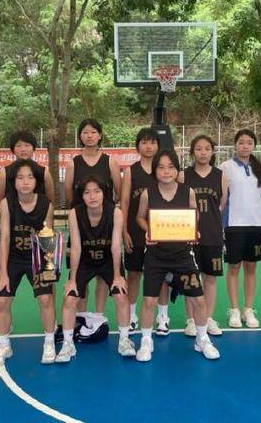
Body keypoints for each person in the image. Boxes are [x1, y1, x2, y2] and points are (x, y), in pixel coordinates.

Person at [135, 149, 220, 362]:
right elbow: (140, 218)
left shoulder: (187, 191)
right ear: (155, 170)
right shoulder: (147, 194)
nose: (166, 171)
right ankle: (146, 341)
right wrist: (148, 231)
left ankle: (202, 339)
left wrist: (192, 230)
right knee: (149, 300)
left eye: (171, 167)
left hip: (183, 255)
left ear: (177, 169)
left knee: (198, 299)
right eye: (161, 167)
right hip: (155, 255)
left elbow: (194, 214)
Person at [55, 175, 135, 362]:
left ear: (104, 193)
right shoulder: (75, 214)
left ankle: (124, 340)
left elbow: (116, 246)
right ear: (81, 196)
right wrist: (72, 279)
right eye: (87, 192)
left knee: (121, 295)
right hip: (85, 260)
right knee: (70, 298)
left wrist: (117, 276)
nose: (92, 196)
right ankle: (67, 344)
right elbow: (76, 247)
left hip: (108, 260)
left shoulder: (115, 213)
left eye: (97, 191)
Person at [0, 159, 57, 366]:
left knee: (45, 299)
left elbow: (48, 237)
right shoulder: (6, 203)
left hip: (38, 258)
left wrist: (49, 267)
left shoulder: (46, 204)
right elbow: (5, 237)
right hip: (13, 258)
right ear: (14, 182)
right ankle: (4, 345)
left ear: (36, 181)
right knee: (3, 301)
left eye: (30, 177)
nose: (25, 182)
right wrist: (3, 272)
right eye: (20, 178)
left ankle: (49, 342)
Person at [64, 119, 121, 315]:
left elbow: (118, 192)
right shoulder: (73, 163)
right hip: (81, 225)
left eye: (93, 132)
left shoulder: (110, 161)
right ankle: (82, 316)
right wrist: (82, 210)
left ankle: (98, 316)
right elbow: (69, 193)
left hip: (104, 224)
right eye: (85, 132)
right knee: (81, 272)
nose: (89, 136)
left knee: (102, 275)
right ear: (80, 136)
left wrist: (104, 209)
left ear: (100, 135)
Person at [121, 127, 169, 334]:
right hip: (136, 231)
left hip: (162, 231)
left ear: (158, 145)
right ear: (138, 146)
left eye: (153, 142)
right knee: (134, 274)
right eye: (144, 142)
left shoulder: (164, 170)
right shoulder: (131, 171)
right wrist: (124, 231)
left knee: (162, 274)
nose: (149, 147)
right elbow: (124, 202)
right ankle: (131, 316)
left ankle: (163, 317)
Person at [179, 135, 227, 337]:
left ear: (212, 152)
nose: (203, 152)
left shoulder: (220, 175)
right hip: (189, 234)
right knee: (191, 277)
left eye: (207, 148)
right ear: (192, 152)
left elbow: (221, 204)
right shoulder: (183, 176)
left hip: (213, 234)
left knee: (210, 278)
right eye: (198, 149)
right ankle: (191, 319)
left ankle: (207, 318)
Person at [219, 130, 261, 328]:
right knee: (234, 267)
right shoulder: (225, 167)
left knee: (251, 267)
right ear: (235, 145)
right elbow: (222, 197)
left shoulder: (260, 169)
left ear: (254, 146)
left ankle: (248, 309)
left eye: (249, 142)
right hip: (233, 224)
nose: (245, 146)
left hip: (256, 225)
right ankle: (234, 310)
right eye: (241, 142)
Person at [0, 130, 55, 207]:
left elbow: (50, 202)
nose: (23, 149)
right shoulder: (4, 174)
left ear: (33, 148)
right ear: (13, 149)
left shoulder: (44, 173)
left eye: (27, 145)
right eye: (18, 146)